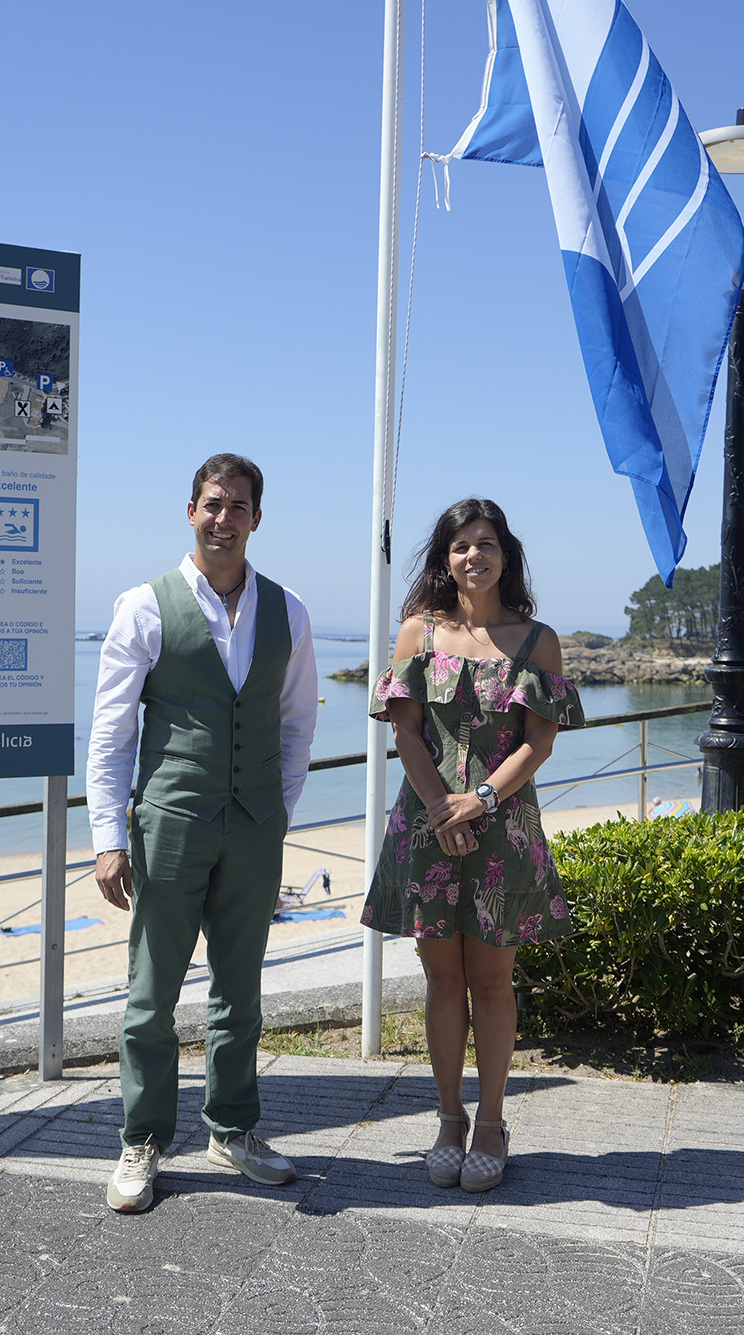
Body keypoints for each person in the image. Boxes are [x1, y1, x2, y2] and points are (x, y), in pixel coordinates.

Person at [87, 453, 318, 1213]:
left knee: (240, 990)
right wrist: (108, 836)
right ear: (191, 511)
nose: (224, 518)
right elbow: (112, 733)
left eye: (238, 506)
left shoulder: (289, 611)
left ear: (257, 518)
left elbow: (296, 723)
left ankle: (233, 1129)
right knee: (151, 994)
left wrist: (277, 811)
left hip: (255, 826)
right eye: (213, 504)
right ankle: (143, 1139)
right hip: (172, 820)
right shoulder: (143, 607)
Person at [359, 498, 583, 1193]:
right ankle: (448, 1119)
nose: (473, 555)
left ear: (505, 555)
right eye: (460, 545)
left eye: (485, 543)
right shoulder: (418, 632)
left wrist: (479, 799)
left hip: (502, 828)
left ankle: (491, 1122)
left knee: (491, 979)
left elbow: (539, 743)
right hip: (427, 827)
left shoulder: (536, 640)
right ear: (445, 559)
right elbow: (405, 730)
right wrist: (440, 807)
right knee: (441, 979)